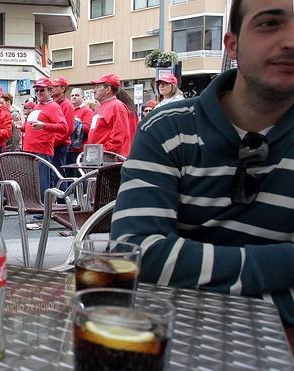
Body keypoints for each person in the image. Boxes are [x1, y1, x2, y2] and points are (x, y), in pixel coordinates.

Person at [111, 0, 294, 329]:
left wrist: (190, 278)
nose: (291, 40)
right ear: (233, 45)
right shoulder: (168, 128)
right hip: (172, 334)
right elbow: (140, 253)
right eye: (269, 24)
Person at [16, 77, 67, 199]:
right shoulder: (38, 106)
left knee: (43, 182)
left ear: (50, 91)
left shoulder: (54, 107)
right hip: (30, 150)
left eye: (42, 90)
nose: (38, 93)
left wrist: (45, 125)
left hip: (42, 151)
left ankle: (45, 209)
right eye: (37, 90)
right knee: (35, 182)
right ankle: (41, 206)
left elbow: (64, 127)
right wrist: (21, 127)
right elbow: (33, 127)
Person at [88, 73, 133, 157]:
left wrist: (104, 151)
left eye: (98, 87)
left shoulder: (117, 106)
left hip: (109, 159)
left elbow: (120, 137)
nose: (94, 90)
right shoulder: (101, 107)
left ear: (108, 89)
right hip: (98, 157)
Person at [50, 77, 75, 172]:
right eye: (52, 86)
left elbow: (68, 129)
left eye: (55, 86)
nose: (52, 88)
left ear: (63, 89)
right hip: (53, 144)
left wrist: (53, 142)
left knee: (57, 172)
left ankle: (62, 187)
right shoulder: (53, 103)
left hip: (59, 145)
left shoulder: (67, 105)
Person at [68, 88, 94, 164]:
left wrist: (75, 123)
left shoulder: (87, 111)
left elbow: (88, 129)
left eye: (77, 95)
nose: (74, 97)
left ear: (83, 97)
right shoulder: (69, 109)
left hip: (79, 150)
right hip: (68, 148)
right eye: (72, 95)